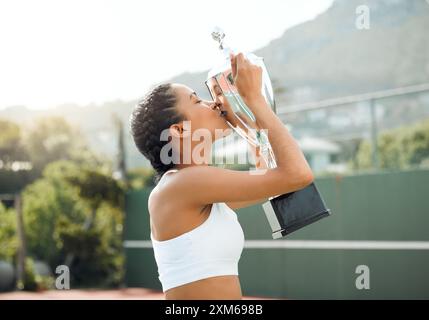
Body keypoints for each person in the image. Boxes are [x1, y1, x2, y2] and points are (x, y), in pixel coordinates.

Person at [129, 53, 314, 299]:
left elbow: (266, 173)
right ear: (179, 129)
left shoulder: (197, 190)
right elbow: (296, 174)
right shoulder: (182, 184)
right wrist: (255, 99)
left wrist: (247, 115)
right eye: (197, 101)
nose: (213, 103)